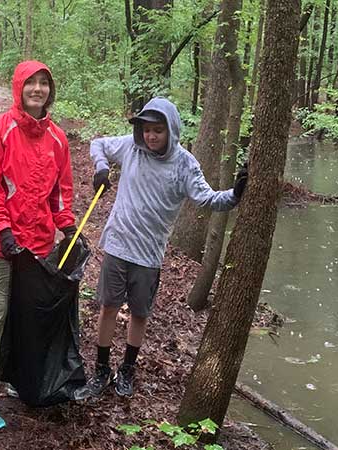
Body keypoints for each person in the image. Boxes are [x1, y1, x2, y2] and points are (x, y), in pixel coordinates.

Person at [74, 97, 248, 400]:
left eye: (158, 130)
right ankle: (102, 369)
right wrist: (101, 169)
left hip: (149, 254)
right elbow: (99, 144)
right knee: (108, 307)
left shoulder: (184, 164)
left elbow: (207, 199)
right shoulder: (131, 146)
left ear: (170, 130)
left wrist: (235, 194)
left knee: (140, 313)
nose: (151, 136)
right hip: (117, 244)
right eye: (146, 130)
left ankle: (127, 368)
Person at [0, 60, 78, 431]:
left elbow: (60, 194)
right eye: (31, 83)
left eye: (44, 83)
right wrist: (4, 229)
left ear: (51, 91)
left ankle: (15, 377)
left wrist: (69, 230)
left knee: (28, 314)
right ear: (19, 87)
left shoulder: (58, 139)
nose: (38, 89)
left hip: (37, 243)